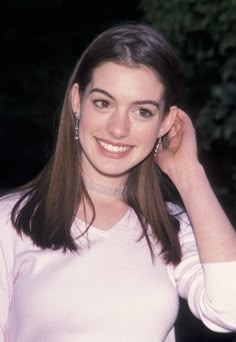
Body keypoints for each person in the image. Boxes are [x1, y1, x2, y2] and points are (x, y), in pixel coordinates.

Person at [0, 23, 236, 342]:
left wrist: (189, 173)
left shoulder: (173, 227)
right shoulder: (10, 221)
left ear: (165, 121)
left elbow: (229, 310)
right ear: (76, 101)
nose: (118, 129)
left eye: (142, 111)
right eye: (103, 103)